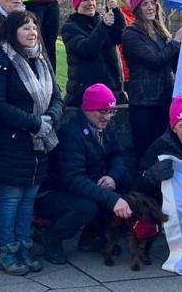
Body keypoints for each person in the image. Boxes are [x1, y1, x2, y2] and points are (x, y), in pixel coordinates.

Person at [0, 10, 61, 275]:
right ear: (12, 31)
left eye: (34, 27)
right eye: (25, 27)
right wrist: (34, 123)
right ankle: (7, 249)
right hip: (13, 141)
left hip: (40, 142)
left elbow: (57, 97)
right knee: (10, 197)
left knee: (29, 198)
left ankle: (24, 245)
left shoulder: (41, 58)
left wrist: (50, 118)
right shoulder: (1, 58)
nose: (31, 32)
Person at [36, 84, 132, 264]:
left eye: (111, 111)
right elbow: (73, 179)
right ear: (87, 109)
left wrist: (112, 176)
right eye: (103, 111)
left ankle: (92, 237)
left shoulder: (105, 127)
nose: (107, 117)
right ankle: (51, 237)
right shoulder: (71, 134)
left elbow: (118, 154)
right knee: (88, 206)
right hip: (53, 193)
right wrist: (111, 199)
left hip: (85, 183)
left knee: (123, 182)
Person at [121, 0, 181, 164]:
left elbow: (172, 62)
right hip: (144, 102)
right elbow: (154, 60)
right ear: (137, 9)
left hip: (164, 98)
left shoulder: (162, 33)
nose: (150, 7)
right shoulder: (131, 34)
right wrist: (176, 43)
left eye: (152, 3)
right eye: (145, 4)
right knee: (146, 151)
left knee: (164, 151)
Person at [60, 0, 126, 106]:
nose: (90, 3)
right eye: (85, 0)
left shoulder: (104, 21)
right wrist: (103, 26)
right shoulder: (70, 28)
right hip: (85, 95)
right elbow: (87, 48)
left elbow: (119, 36)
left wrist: (116, 11)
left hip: (111, 91)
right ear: (77, 5)